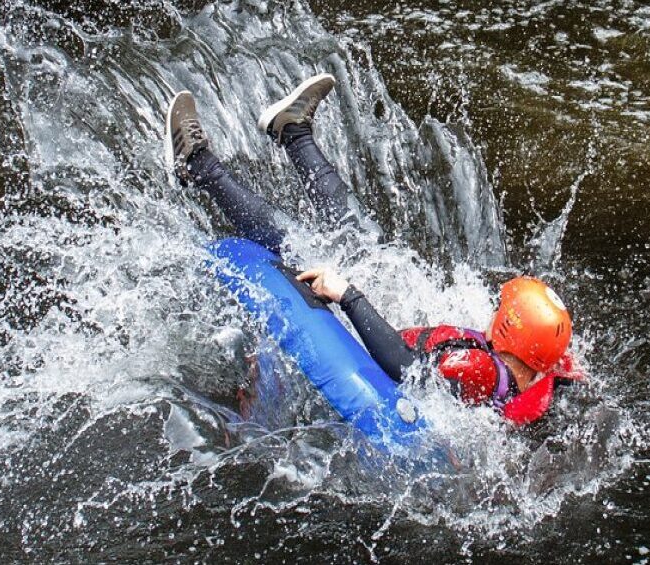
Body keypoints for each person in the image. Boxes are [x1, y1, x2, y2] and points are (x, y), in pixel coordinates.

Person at [165, 74, 583, 426]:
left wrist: (348, 295)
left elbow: (406, 369)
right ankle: (292, 131)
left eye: (501, 309)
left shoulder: (478, 370)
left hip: (365, 372)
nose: (492, 310)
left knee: (286, 244)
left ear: (510, 330)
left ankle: (196, 164)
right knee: (352, 235)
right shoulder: (531, 372)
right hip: (396, 349)